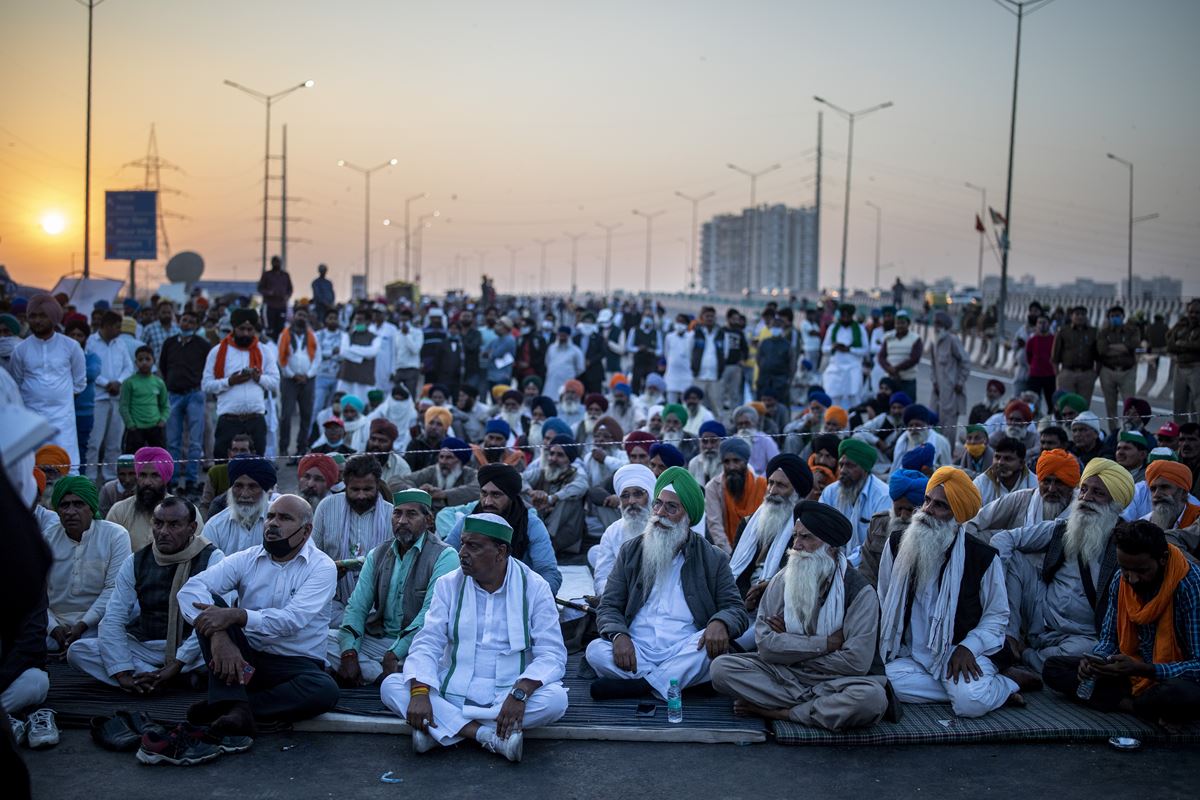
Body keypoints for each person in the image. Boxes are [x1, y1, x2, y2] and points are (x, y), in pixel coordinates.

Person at [380, 512, 567, 762]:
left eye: (473, 546)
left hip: (508, 693)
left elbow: (552, 654)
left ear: (500, 552)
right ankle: (486, 736)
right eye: (462, 543)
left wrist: (520, 693)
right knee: (392, 685)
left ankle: (439, 728)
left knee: (556, 700)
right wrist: (420, 692)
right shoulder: (448, 584)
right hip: (453, 688)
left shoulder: (535, 587)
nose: (462, 552)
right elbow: (427, 642)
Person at [710, 501, 889, 731]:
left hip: (834, 682)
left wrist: (790, 648)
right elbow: (765, 645)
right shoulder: (782, 579)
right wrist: (825, 644)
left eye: (806, 538)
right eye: (796, 537)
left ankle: (781, 712)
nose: (796, 546)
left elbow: (856, 663)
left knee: (872, 699)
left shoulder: (860, 592)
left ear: (831, 548)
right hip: (784, 674)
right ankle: (816, 710)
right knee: (721, 669)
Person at [179, 494, 340, 740]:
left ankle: (235, 705)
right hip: (244, 658)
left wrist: (238, 615)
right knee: (212, 608)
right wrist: (219, 635)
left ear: (306, 531)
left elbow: (291, 620)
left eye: (285, 518)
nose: (273, 524)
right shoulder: (247, 558)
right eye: (271, 516)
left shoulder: (322, 567)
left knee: (324, 690)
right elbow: (190, 590)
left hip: (295, 664)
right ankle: (239, 707)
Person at [587, 467, 748, 700]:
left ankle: (640, 686)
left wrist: (721, 622)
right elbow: (608, 605)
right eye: (658, 504)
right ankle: (673, 682)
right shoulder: (631, 551)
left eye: (672, 507)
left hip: (684, 648)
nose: (660, 513)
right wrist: (618, 636)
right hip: (637, 649)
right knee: (596, 651)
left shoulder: (713, 558)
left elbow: (736, 610)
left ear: (688, 517)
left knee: (710, 650)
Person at [878, 467, 1026, 717]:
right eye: (927, 501)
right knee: (881, 684)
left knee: (970, 704)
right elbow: (884, 596)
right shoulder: (897, 544)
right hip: (912, 655)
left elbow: (997, 615)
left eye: (940, 506)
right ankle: (984, 687)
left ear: (957, 516)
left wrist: (968, 647)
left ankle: (1003, 685)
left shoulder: (982, 557)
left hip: (962, 654)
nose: (926, 511)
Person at [1042, 520, 1200, 729]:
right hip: (1131, 673)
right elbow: (1108, 638)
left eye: (1142, 571)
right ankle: (1138, 708)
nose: (1132, 579)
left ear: (1162, 559)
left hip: (1169, 677)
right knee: (1054, 668)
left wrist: (1147, 669)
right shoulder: (1120, 580)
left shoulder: (1190, 586)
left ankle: (1136, 705)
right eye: (1125, 569)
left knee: (1177, 694)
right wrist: (1095, 661)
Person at [992, 458, 1133, 678]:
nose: (1086, 498)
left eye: (1098, 493)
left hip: (1081, 635)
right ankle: (1010, 637)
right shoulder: (1062, 529)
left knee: (1088, 652)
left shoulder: (1124, 545)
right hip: (1038, 614)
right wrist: (996, 582)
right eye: (1084, 490)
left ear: (1116, 503)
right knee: (1017, 559)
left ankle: (1027, 656)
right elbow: (1004, 539)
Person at [67, 496, 221, 690]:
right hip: (145, 645)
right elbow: (113, 618)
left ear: (191, 528)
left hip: (191, 647)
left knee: (227, 646)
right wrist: (122, 672)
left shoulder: (212, 558)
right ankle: (162, 679)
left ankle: (155, 678)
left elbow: (210, 620)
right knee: (78, 651)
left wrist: (177, 662)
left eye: (174, 525)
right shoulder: (136, 561)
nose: (163, 532)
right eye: (158, 523)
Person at [328, 490, 459, 686]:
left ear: (429, 520)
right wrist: (349, 654)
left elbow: (429, 616)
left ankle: (377, 675)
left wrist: (395, 653)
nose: (402, 521)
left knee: (436, 661)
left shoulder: (445, 556)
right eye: (397, 513)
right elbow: (357, 607)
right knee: (323, 640)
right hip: (382, 640)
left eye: (411, 514)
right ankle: (384, 677)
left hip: (420, 644)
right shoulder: (378, 553)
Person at [41, 476, 132, 654]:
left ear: (92, 508)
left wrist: (83, 625)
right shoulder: (46, 538)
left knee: (99, 642)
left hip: (98, 625)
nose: (70, 512)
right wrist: (52, 628)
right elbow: (35, 593)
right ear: (57, 511)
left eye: (78, 504)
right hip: (51, 626)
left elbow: (114, 589)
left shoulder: (115, 536)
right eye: (64, 505)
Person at [439, 463, 562, 595]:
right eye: (484, 494)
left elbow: (548, 571)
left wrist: (532, 599)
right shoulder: (470, 521)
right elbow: (446, 558)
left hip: (518, 592)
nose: (487, 502)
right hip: (473, 593)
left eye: (496, 495)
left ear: (511, 496)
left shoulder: (531, 524)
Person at [311, 454, 395, 619]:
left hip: (378, 607)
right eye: (355, 489)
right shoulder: (326, 507)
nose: (361, 496)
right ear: (345, 485)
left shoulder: (392, 514)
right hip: (331, 602)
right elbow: (313, 556)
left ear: (377, 485)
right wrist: (331, 570)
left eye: (368, 489)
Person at [728, 454, 814, 612]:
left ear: (796, 492)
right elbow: (736, 574)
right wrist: (744, 600)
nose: (772, 491)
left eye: (781, 485)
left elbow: (797, 580)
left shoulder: (805, 533)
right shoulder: (748, 524)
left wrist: (764, 596)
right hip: (741, 605)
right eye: (771, 483)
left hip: (780, 609)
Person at [202, 308, 280, 458]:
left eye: (249, 329)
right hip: (228, 420)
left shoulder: (264, 351)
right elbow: (206, 385)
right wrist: (230, 381)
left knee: (256, 468)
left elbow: (275, 382)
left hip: (255, 419)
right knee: (224, 467)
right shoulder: (217, 352)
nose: (245, 333)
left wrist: (259, 378)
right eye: (241, 329)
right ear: (234, 328)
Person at [159, 309, 212, 495]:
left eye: (190, 321)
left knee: (196, 442)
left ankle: (191, 481)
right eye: (184, 319)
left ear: (196, 325)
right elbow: (163, 367)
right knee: (173, 441)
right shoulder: (170, 343)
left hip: (195, 395)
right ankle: (172, 481)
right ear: (179, 321)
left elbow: (208, 369)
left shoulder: (203, 345)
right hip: (174, 395)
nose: (186, 323)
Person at [818, 438, 890, 565]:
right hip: (829, 562)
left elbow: (874, 544)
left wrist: (846, 564)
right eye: (841, 465)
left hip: (865, 566)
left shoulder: (882, 496)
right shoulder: (830, 492)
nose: (843, 470)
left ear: (864, 469)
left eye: (850, 465)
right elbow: (819, 529)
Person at [83, 311, 135, 481]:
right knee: (94, 442)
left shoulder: (120, 343)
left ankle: (111, 477)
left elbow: (129, 367)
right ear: (105, 326)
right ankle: (89, 478)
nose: (119, 330)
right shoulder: (90, 342)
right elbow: (87, 369)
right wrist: (106, 383)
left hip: (117, 397)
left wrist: (118, 382)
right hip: (98, 397)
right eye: (116, 326)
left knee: (114, 442)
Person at [589, 464, 655, 598]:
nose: (631, 501)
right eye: (625, 496)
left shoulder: (663, 528)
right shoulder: (613, 531)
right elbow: (601, 578)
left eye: (638, 494)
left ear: (650, 496)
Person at [860, 469, 927, 588]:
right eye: (899, 509)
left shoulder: (929, 532)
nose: (903, 516)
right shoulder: (878, 523)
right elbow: (867, 569)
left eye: (910, 510)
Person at [106, 446, 180, 552]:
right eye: (142, 475)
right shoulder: (119, 511)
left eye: (155, 476)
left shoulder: (183, 512)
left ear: (165, 479)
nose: (147, 482)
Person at [523, 438, 590, 554]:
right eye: (552, 453)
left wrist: (552, 498)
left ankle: (546, 542)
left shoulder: (576, 475)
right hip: (542, 523)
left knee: (567, 498)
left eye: (560, 455)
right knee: (517, 492)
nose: (553, 459)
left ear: (569, 459)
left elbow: (582, 486)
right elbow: (517, 478)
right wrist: (531, 492)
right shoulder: (542, 472)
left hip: (564, 534)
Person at [201, 455, 277, 556]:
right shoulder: (214, 526)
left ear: (265, 491)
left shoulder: (280, 521)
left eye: (252, 487)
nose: (244, 494)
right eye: (238, 486)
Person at [703, 437, 766, 554]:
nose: (731, 467)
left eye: (736, 461)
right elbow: (715, 526)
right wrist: (732, 558)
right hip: (727, 552)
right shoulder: (713, 488)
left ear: (746, 462)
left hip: (757, 551)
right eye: (726, 462)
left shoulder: (762, 485)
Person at [278, 308, 321, 458]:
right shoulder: (284, 335)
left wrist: (307, 375)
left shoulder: (312, 336)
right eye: (299, 314)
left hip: (308, 380)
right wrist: (292, 374)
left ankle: (301, 447)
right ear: (294, 316)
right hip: (289, 380)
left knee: (306, 414)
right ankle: (283, 447)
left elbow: (317, 358)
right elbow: (281, 359)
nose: (301, 317)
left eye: (304, 315)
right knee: (286, 415)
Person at [397, 438, 479, 513]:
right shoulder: (432, 471)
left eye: (449, 457)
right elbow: (397, 480)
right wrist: (417, 491)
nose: (443, 461)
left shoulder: (470, 474)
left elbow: (477, 488)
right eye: (441, 457)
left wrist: (445, 494)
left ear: (460, 461)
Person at [1096, 306, 1140, 436]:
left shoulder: (1132, 330)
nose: (1115, 318)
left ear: (1123, 316)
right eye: (1112, 315)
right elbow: (1102, 350)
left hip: (1127, 371)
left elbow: (1132, 346)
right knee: (1110, 406)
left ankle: (1130, 432)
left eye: (1118, 315)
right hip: (1108, 371)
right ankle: (1114, 433)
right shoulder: (1103, 332)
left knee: (1130, 405)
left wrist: (1112, 347)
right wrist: (1123, 347)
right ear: (1108, 318)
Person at [119, 345, 170, 450]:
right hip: (136, 429)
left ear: (154, 361)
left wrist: (162, 420)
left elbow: (165, 405)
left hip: (156, 427)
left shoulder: (159, 382)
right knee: (133, 460)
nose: (144, 362)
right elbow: (123, 406)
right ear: (136, 362)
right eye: (140, 359)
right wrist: (130, 425)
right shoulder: (129, 382)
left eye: (148, 359)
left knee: (159, 460)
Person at [930, 311, 970, 440]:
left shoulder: (953, 340)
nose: (936, 326)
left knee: (948, 428)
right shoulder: (934, 341)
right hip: (937, 392)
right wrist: (934, 381)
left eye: (939, 323)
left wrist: (960, 382)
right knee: (934, 425)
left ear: (946, 326)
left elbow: (965, 361)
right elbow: (932, 365)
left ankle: (947, 457)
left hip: (952, 392)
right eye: (935, 323)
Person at [821, 304, 868, 410]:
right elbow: (824, 349)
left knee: (855, 399)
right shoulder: (833, 328)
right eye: (843, 316)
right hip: (836, 368)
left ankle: (855, 425)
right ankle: (834, 424)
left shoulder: (860, 329)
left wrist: (849, 349)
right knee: (832, 398)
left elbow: (865, 350)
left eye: (848, 316)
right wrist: (834, 347)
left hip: (853, 368)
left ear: (852, 316)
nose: (845, 319)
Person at [973, 437, 1037, 506]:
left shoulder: (1035, 485)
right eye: (997, 457)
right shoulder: (980, 483)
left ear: (1021, 464)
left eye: (1008, 459)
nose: (1000, 462)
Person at [1052, 306, 1099, 399]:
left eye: (1083, 314)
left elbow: (1099, 355)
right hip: (1067, 373)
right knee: (1066, 405)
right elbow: (1055, 356)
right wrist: (1058, 375)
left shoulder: (1093, 332)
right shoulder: (1063, 331)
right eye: (1077, 314)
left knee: (1083, 407)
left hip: (1086, 374)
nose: (1080, 317)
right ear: (1071, 316)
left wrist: (1095, 374)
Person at [876, 309, 922, 401]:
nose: (899, 326)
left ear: (908, 324)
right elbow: (881, 357)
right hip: (891, 380)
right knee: (890, 408)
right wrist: (889, 369)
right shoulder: (888, 337)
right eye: (897, 323)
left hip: (908, 381)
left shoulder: (915, 338)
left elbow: (914, 359)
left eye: (902, 323)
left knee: (908, 408)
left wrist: (896, 369)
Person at [337, 308, 381, 400]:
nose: (357, 322)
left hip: (364, 378)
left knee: (363, 405)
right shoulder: (347, 335)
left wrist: (352, 349)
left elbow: (372, 353)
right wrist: (361, 357)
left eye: (360, 320)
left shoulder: (375, 337)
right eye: (356, 319)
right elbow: (343, 352)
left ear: (368, 322)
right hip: (347, 376)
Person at [1167, 299, 1200, 420]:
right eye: (1191, 312)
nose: (1194, 315)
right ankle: (1180, 436)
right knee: (1179, 407)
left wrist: (1182, 344)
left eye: (1197, 312)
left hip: (1196, 368)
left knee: (1197, 406)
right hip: (1180, 368)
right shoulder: (1182, 325)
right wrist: (1187, 345)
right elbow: (1170, 345)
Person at [731, 404, 779, 476]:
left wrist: (760, 480)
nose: (744, 427)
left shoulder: (766, 440)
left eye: (747, 423)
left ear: (754, 423)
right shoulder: (732, 442)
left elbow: (776, 464)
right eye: (740, 424)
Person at [257, 255, 294, 338]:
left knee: (280, 328)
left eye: (278, 262)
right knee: (269, 328)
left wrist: (287, 296)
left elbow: (290, 288)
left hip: (281, 305)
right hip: (269, 305)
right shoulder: (267, 275)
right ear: (272, 263)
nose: (276, 264)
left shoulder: (285, 275)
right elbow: (260, 288)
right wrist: (269, 293)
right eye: (274, 262)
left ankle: (279, 345)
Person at [405, 406, 451, 472]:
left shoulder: (450, 447)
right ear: (425, 425)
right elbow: (408, 470)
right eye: (431, 423)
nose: (434, 427)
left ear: (446, 429)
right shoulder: (415, 444)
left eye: (439, 424)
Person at [687, 420, 725, 486]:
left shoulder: (729, 462)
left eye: (713, 441)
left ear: (722, 442)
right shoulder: (694, 463)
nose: (709, 446)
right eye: (704, 441)